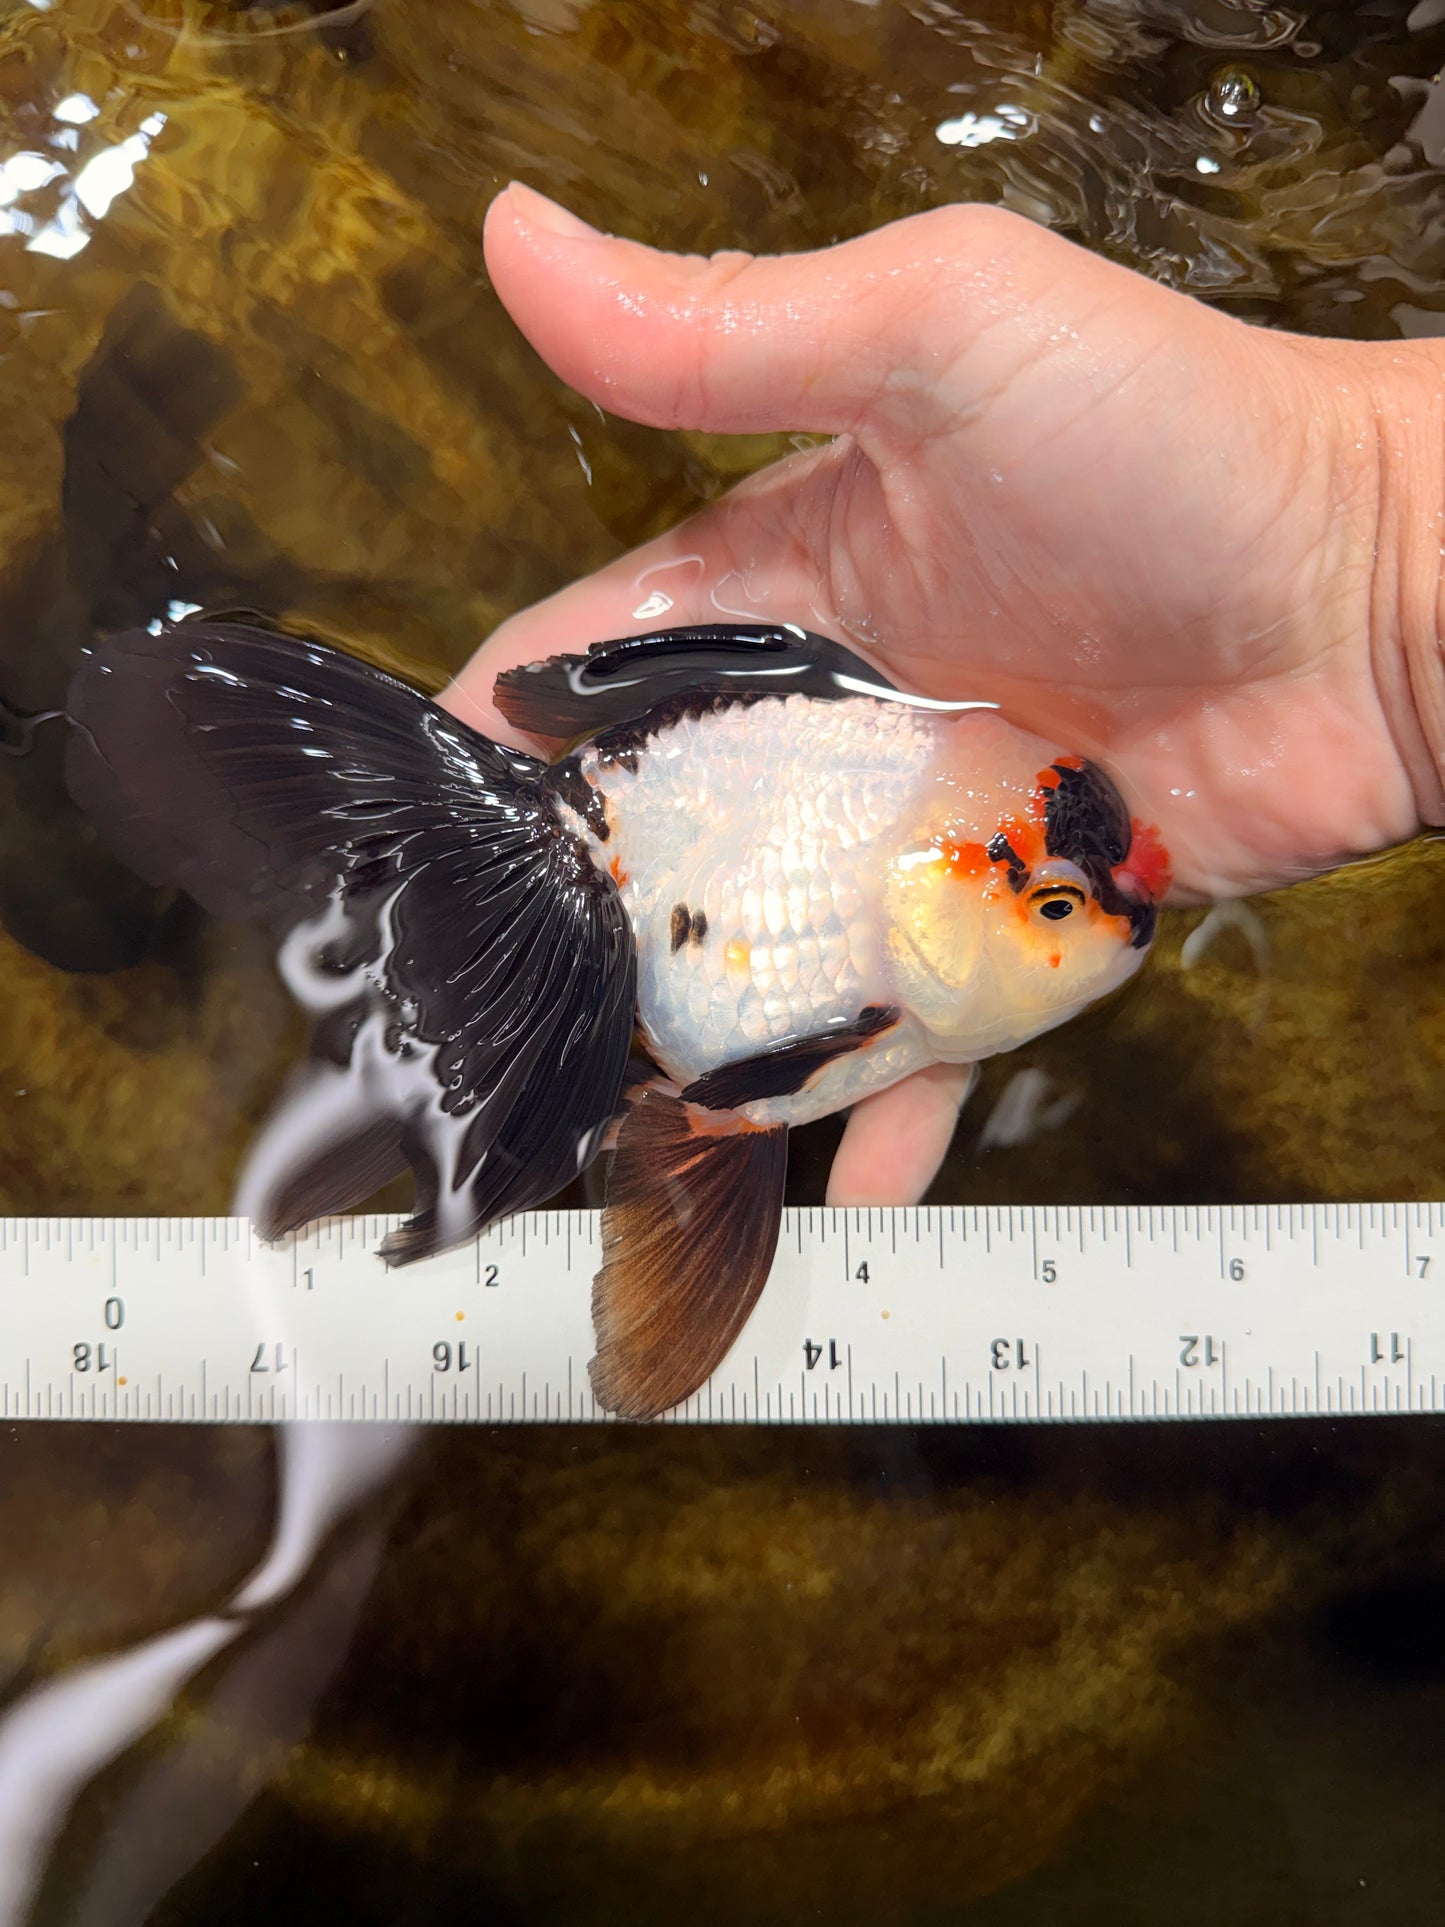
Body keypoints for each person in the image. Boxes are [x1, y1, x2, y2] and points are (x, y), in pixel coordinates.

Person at [444, 181, 1445, 1207]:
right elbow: (754, 1086)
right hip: (628, 850)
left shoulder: (925, 813)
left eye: (1057, 903)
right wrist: (1374, 550)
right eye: (1053, 904)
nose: (1102, 924)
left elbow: (746, 1086)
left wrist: (1374, 535)